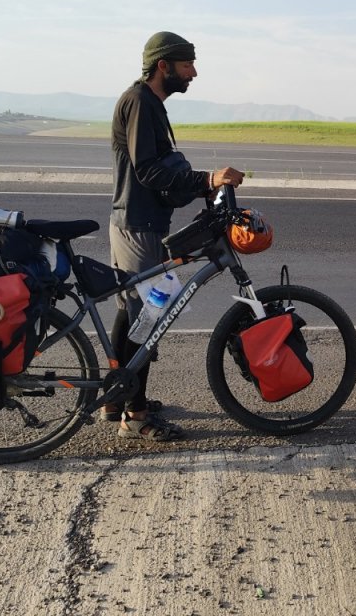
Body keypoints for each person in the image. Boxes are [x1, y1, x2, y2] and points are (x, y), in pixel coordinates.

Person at [106, 31, 246, 441]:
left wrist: (202, 185)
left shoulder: (150, 104)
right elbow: (148, 170)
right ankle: (135, 417)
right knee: (147, 319)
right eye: (187, 65)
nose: (194, 73)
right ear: (163, 66)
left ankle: (117, 399)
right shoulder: (139, 103)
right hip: (138, 227)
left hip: (138, 223)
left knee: (129, 312)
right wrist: (207, 177)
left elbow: (160, 171)